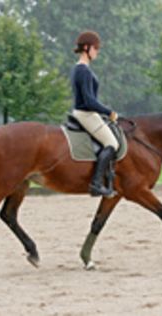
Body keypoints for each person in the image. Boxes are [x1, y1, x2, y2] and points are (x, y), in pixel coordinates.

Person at [70, 30, 119, 197]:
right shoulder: (83, 70)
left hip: (88, 113)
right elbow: (89, 101)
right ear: (86, 48)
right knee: (112, 143)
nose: (97, 51)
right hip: (86, 114)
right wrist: (108, 111)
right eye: (96, 48)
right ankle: (96, 184)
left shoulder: (82, 69)